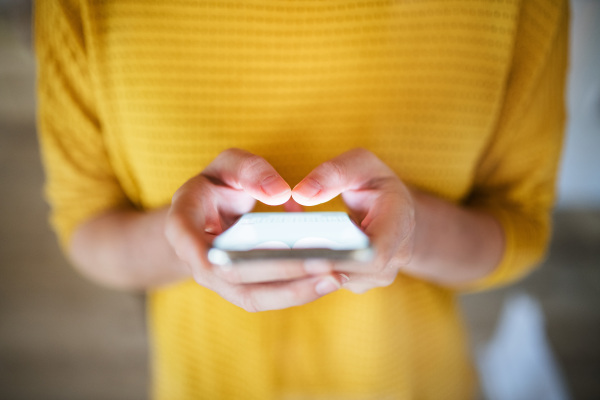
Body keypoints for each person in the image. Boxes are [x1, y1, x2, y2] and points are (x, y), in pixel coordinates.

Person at [35, 0, 568, 398]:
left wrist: (412, 233)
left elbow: (519, 227)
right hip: (204, 379)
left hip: (407, 379)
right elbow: (85, 226)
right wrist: (181, 242)